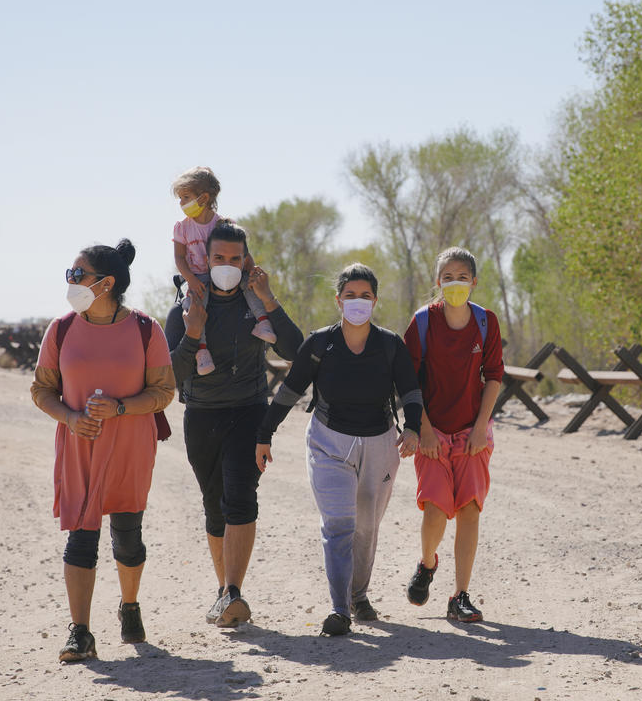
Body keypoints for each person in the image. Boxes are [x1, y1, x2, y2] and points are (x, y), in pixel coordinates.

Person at [256, 263, 423, 636]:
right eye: (350, 295)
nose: (358, 302)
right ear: (338, 300)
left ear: (375, 301)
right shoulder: (319, 343)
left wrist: (412, 427)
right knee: (339, 524)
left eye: (365, 296)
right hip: (328, 441)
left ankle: (358, 596)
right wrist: (264, 433)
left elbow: (410, 391)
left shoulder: (390, 344)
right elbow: (290, 390)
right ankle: (340, 608)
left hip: (380, 443)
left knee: (366, 527)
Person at [31, 238, 175, 662]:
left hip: (131, 445)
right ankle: (80, 631)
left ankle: (129, 606)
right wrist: (72, 418)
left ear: (106, 283)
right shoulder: (61, 329)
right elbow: (41, 390)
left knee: (128, 538)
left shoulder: (147, 330)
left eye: (79, 274)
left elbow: (164, 391)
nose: (71, 281)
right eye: (69, 274)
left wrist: (121, 408)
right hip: (79, 445)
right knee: (81, 537)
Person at [165, 222, 303, 629]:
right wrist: (192, 334)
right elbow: (171, 377)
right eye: (219, 258)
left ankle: (234, 592)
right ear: (204, 261)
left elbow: (296, 350)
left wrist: (269, 298)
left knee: (240, 498)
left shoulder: (256, 302)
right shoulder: (185, 308)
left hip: (248, 412)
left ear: (247, 261)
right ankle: (223, 591)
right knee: (214, 506)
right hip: (202, 416)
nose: (227, 265)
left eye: (235, 258)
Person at [402, 247, 504, 623]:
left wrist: (481, 427)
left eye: (463, 276)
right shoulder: (422, 323)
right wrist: (424, 430)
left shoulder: (486, 322)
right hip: (433, 433)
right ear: (438, 281)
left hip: (472, 433)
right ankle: (427, 564)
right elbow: (408, 383)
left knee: (469, 510)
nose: (455, 283)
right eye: (448, 276)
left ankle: (460, 595)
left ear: (474, 281)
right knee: (434, 510)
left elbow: (493, 376)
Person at [172, 166, 276, 376]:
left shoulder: (223, 224)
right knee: (194, 306)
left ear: (203, 198)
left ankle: (263, 324)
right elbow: (180, 257)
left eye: (185, 197)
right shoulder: (182, 227)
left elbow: (241, 252)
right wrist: (190, 279)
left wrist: (252, 272)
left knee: (249, 288)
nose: (182, 203)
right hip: (198, 277)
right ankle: (202, 352)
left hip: (227, 273)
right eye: (180, 198)